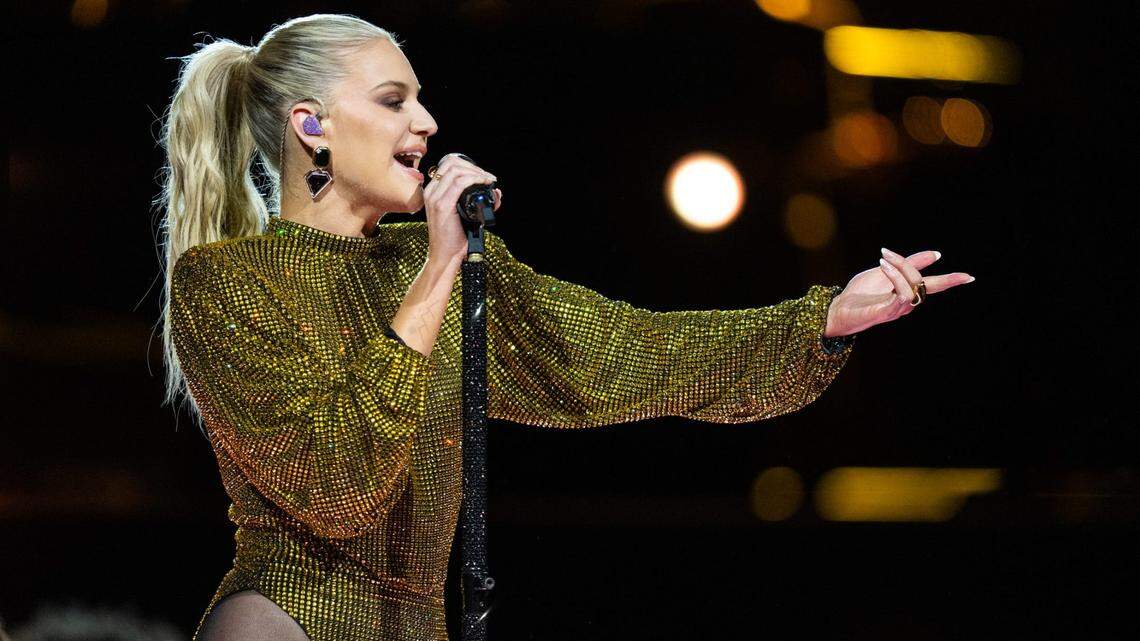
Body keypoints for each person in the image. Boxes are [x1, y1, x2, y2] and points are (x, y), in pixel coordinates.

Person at [155, 13, 973, 641]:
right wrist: (440, 270)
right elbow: (339, 481)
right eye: (393, 100)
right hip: (282, 621)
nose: (428, 121)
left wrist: (820, 320)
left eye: (420, 96)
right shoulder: (226, 283)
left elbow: (624, 353)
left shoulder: (441, 265)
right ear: (311, 125)